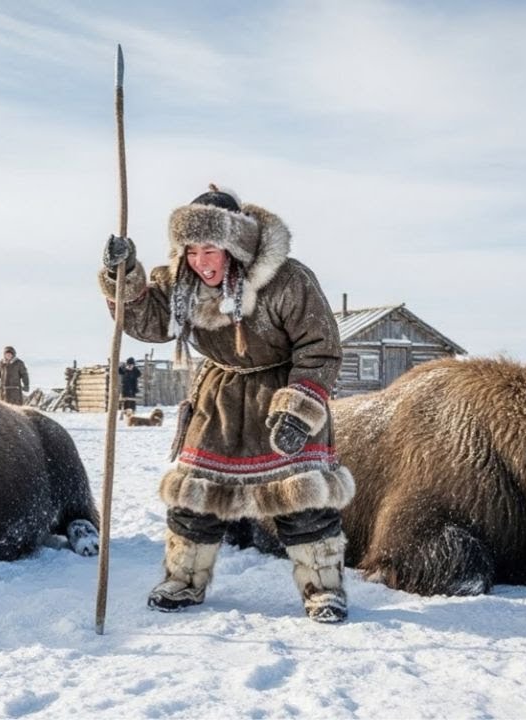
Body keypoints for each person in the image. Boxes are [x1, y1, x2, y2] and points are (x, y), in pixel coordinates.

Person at [100, 184, 353, 623]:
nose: (201, 262)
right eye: (191, 250)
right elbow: (148, 321)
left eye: (210, 250)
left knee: (302, 499)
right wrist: (122, 276)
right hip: (218, 398)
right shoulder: (180, 283)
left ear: (234, 246)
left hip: (279, 393)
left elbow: (320, 347)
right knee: (195, 496)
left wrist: (299, 408)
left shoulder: (287, 280)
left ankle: (323, 588)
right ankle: (182, 580)